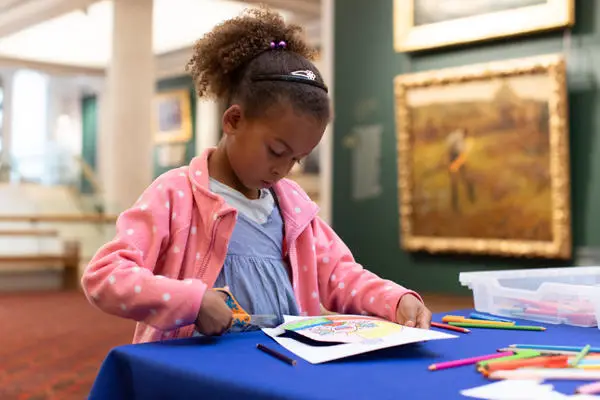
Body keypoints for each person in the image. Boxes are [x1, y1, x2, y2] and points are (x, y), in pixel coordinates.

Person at [81, 7, 431, 344]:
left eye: (297, 159)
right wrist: (191, 301)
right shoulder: (175, 194)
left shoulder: (292, 204)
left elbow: (339, 273)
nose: (282, 169)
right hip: (196, 372)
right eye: (277, 151)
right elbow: (105, 276)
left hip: (282, 364)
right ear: (233, 120)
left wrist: (395, 299)